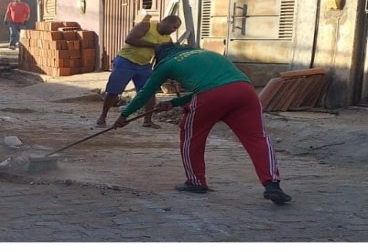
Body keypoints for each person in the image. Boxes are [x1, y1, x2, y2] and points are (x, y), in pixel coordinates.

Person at [113, 42, 292, 204]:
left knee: (191, 136)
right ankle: (272, 184)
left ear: (159, 56)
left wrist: (125, 115)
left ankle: (196, 181)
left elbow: (145, 92)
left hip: (211, 96)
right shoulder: (206, 53)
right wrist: (174, 103)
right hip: (245, 92)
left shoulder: (166, 63)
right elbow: (217, 85)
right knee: (257, 139)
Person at [96, 13, 182, 128]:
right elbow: (130, 39)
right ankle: (103, 117)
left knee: (149, 92)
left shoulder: (167, 39)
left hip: (144, 66)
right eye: (174, 27)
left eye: (176, 28)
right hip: (126, 61)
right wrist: (154, 45)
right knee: (114, 91)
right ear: (166, 22)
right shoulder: (146, 26)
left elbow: (163, 55)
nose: (174, 30)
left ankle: (147, 121)